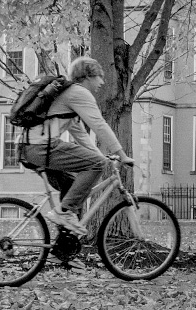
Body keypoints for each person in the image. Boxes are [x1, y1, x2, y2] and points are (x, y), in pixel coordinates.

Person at [21, 56, 134, 235]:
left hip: (29, 148)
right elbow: (99, 125)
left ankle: (62, 252)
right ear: (88, 76)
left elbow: (81, 135)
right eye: (100, 77)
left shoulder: (68, 97)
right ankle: (64, 213)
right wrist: (121, 154)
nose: (102, 82)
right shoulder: (79, 93)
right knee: (74, 198)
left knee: (74, 190)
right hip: (42, 147)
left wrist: (101, 156)